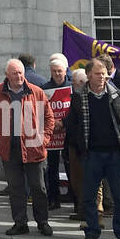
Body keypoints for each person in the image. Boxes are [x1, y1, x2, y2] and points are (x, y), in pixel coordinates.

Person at [66, 57, 120, 239]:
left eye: (104, 73)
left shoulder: (117, 95)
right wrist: (82, 150)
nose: (102, 77)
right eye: (98, 74)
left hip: (115, 155)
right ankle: (91, 232)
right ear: (89, 75)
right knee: (89, 196)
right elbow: (72, 127)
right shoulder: (79, 97)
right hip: (92, 155)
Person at [0, 58, 55, 236]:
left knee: (38, 188)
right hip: (9, 149)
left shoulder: (36, 92)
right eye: (15, 73)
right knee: (16, 189)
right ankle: (20, 223)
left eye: (21, 73)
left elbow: (49, 118)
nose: (19, 76)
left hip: (34, 149)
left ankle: (43, 222)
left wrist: (45, 138)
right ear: (7, 75)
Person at [42, 54, 70, 210]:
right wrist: (53, 123)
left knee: (71, 167)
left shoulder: (73, 88)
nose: (57, 74)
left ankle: (74, 196)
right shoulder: (45, 89)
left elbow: (75, 110)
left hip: (68, 134)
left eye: (60, 71)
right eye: (54, 71)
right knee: (51, 169)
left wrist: (64, 123)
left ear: (65, 71)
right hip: (51, 135)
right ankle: (53, 198)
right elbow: (42, 111)